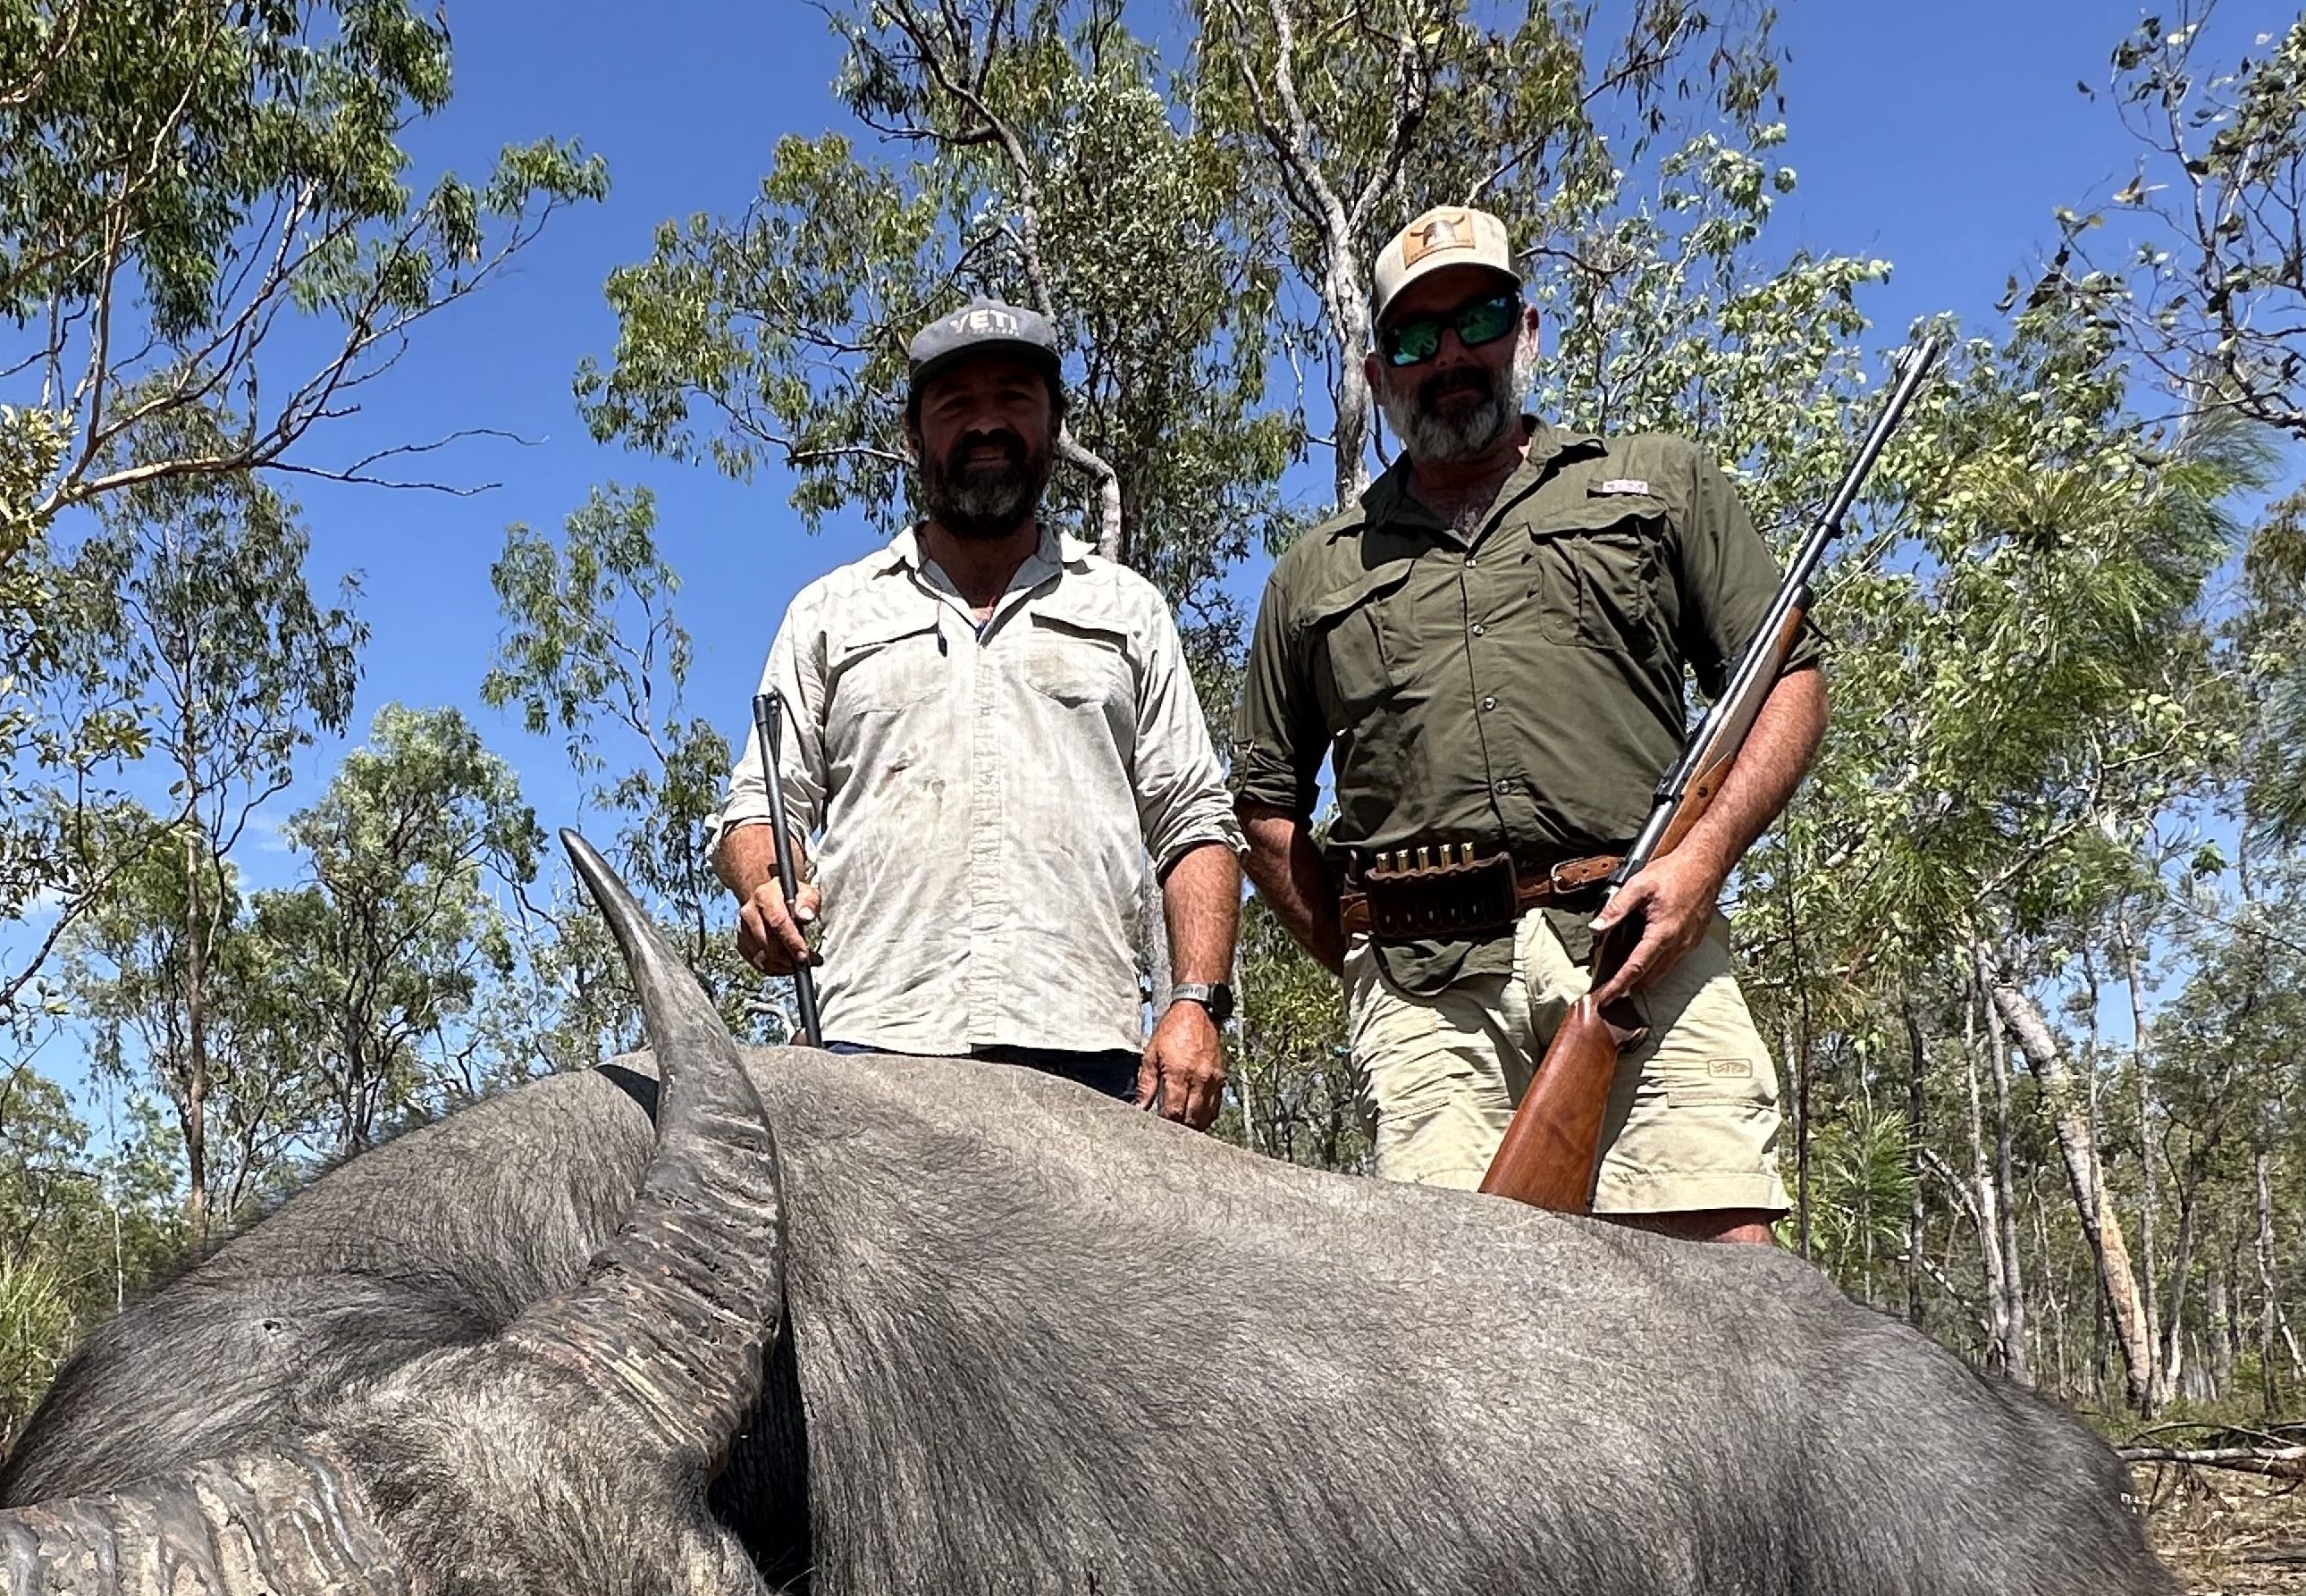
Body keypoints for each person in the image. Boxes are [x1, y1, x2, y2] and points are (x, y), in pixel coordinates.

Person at [1232, 206, 1828, 1240]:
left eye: (1481, 318)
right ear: (1377, 377)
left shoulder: (1656, 484)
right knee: (1465, 1341)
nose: (1451, 355)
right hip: (1429, 1002)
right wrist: (1365, 958)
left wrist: (1703, 864)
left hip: (1644, 950)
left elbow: (1789, 679)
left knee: (1731, 1287)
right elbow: (1266, 804)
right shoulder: (1313, 572)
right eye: (1414, 338)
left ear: (1528, 330)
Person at [716, 300, 1244, 1126]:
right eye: (956, 403)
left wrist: (1196, 1003)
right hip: (873, 1042)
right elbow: (758, 809)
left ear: (1054, 426)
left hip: (1086, 1052)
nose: (987, 423)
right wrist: (767, 886)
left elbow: (1195, 823)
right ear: (914, 435)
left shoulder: (1127, 609)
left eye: (1014, 398)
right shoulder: (830, 613)